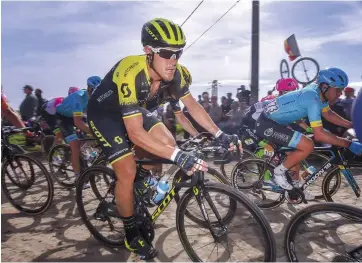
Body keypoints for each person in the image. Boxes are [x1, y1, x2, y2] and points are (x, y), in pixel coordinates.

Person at [86, 17, 240, 260]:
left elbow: (193, 106)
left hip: (133, 110)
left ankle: (143, 179)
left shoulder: (174, 74)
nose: (173, 60)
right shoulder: (131, 70)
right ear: (148, 51)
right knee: (126, 169)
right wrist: (179, 157)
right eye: (167, 53)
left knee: (167, 141)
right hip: (104, 114)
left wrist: (219, 134)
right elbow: (135, 133)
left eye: (178, 53)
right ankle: (130, 233)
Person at [242, 67, 362, 192]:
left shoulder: (318, 93)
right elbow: (319, 135)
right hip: (267, 124)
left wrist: (351, 125)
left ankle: (296, 187)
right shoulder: (312, 98)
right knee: (307, 145)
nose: (340, 94)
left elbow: (328, 114)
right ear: (325, 86)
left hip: (276, 123)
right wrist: (348, 143)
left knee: (296, 155)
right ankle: (278, 173)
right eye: (338, 90)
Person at [55, 86, 90, 183]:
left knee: (87, 133)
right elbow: (77, 122)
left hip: (74, 116)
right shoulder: (78, 97)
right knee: (75, 145)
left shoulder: (91, 97)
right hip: (63, 118)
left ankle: (82, 154)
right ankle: (78, 178)